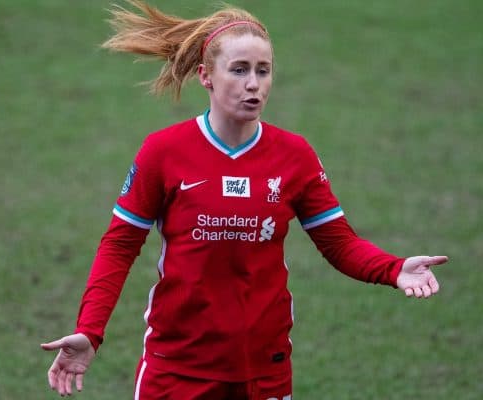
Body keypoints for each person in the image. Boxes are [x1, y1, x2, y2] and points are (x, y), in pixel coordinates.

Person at [41, 1, 449, 399]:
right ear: (206, 76)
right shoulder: (163, 152)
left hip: (263, 370)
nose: (254, 84)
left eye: (263, 71)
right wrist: (90, 329)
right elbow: (120, 244)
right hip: (177, 371)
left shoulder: (295, 156)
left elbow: (339, 243)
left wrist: (393, 269)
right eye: (239, 70)